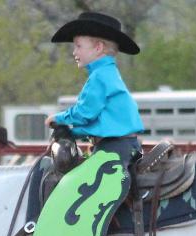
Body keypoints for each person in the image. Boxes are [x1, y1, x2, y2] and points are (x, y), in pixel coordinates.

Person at [44, 11, 143, 166]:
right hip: (122, 146)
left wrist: (57, 119)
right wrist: (72, 132)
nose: (74, 52)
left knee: (74, 186)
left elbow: (84, 113)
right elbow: (98, 123)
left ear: (98, 48)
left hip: (113, 149)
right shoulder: (109, 73)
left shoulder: (100, 76)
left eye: (78, 46)